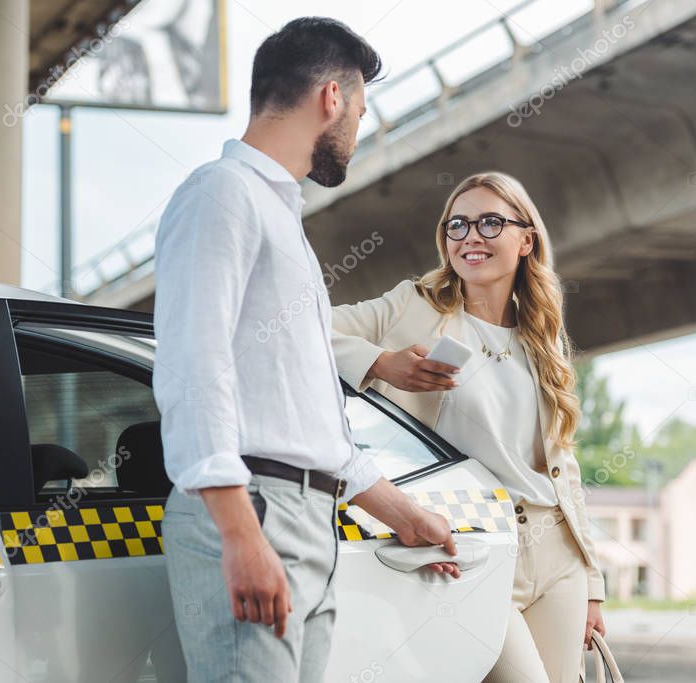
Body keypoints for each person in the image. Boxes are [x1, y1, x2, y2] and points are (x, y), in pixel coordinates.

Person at [153, 17, 461, 682]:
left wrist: (403, 512)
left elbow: (307, 420)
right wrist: (239, 534)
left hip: (305, 519)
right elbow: (190, 365)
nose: (358, 128)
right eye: (361, 110)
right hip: (254, 509)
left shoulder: (277, 218)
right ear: (331, 97)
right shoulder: (220, 195)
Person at [330, 172, 607, 683]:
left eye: (490, 222)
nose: (470, 237)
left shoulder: (540, 337)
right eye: (457, 225)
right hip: (470, 545)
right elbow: (301, 330)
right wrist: (380, 362)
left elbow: (561, 463)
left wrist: (591, 580)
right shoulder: (411, 305)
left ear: (526, 240)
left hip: (556, 552)